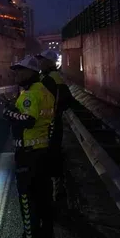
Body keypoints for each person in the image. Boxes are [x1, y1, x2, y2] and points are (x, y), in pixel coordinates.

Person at [3, 55, 56, 238]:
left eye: (20, 71)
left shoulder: (31, 94)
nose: (16, 74)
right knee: (43, 198)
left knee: (26, 198)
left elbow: (28, 120)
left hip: (28, 154)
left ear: (31, 72)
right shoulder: (45, 91)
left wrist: (8, 113)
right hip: (43, 151)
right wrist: (14, 107)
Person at [36, 49, 76, 206]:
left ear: (50, 62)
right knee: (53, 154)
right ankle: (56, 190)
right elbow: (68, 102)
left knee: (51, 155)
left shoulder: (51, 79)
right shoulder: (51, 77)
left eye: (43, 60)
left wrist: (52, 113)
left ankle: (56, 193)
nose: (40, 62)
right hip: (52, 122)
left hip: (50, 124)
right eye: (40, 60)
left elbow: (64, 100)